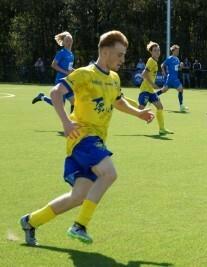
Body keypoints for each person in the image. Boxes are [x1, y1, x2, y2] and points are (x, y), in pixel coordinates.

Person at [20, 30, 154, 246]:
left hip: (95, 141)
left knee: (78, 196)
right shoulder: (84, 74)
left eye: (124, 55)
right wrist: (65, 122)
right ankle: (80, 225)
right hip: (82, 138)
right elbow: (55, 93)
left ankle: (30, 221)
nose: (123, 59)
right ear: (104, 51)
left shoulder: (114, 78)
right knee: (109, 173)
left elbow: (118, 102)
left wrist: (139, 113)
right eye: (119, 54)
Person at [32, 32, 75, 113]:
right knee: (60, 104)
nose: (69, 42)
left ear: (72, 41)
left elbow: (69, 68)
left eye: (70, 40)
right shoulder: (61, 53)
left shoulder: (72, 55)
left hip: (68, 81)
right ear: (63, 43)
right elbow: (53, 65)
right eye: (67, 41)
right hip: (60, 81)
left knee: (74, 101)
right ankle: (42, 97)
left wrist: (77, 72)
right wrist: (65, 72)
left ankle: (72, 121)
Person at [137, 41, 173, 135]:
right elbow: (143, 74)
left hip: (150, 91)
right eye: (155, 50)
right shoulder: (151, 61)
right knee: (139, 110)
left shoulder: (155, 62)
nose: (157, 52)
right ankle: (123, 101)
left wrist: (156, 88)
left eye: (158, 50)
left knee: (160, 107)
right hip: (145, 90)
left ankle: (162, 129)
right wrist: (153, 84)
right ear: (151, 52)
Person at [157, 44, 189, 112]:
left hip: (173, 78)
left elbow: (178, 69)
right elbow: (162, 65)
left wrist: (181, 66)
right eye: (177, 51)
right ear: (173, 51)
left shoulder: (177, 59)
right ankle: (181, 106)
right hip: (172, 77)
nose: (178, 52)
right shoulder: (170, 58)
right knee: (180, 89)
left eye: (178, 51)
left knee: (163, 90)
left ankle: (151, 97)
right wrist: (163, 72)